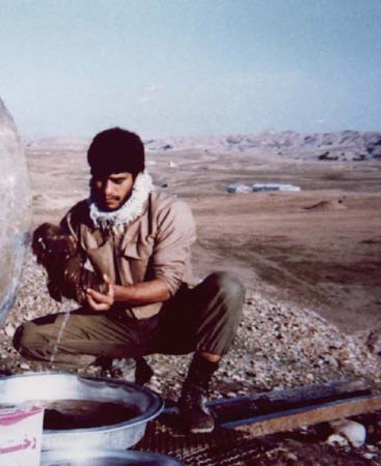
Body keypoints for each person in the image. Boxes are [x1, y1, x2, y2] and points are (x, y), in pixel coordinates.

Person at [14, 127, 245, 433]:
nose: (106, 190)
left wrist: (116, 294)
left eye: (118, 180)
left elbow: (167, 285)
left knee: (228, 287)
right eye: (99, 179)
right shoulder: (79, 218)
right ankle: (120, 361)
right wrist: (54, 261)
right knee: (29, 338)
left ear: (137, 176)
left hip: (172, 323)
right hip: (115, 323)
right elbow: (67, 280)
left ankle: (194, 394)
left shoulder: (169, 212)